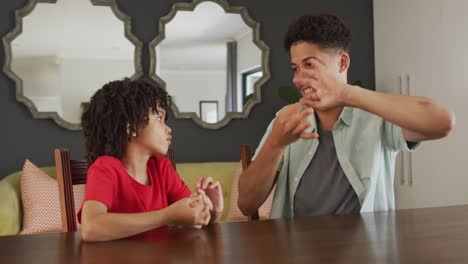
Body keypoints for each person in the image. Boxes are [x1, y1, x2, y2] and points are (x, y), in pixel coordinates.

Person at [238, 14, 455, 218]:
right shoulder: (286, 120)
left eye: (309, 65)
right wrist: (275, 143)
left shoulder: (377, 118)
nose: (297, 79)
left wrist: (345, 93)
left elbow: (442, 121)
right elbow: (247, 204)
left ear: (342, 63)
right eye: (295, 68)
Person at [78, 79, 223, 241]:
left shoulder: (161, 168)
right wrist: (166, 216)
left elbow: (191, 215)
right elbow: (91, 228)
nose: (168, 128)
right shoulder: (105, 168)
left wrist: (212, 208)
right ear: (131, 127)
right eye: (159, 118)